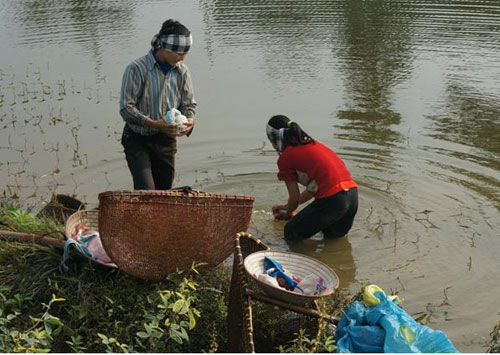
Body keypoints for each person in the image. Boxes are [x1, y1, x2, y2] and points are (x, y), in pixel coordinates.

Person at [119, 19, 196, 190]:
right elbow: (126, 108)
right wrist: (154, 123)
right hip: (137, 138)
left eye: (185, 53)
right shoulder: (137, 69)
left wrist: (190, 121)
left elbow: (189, 105)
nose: (182, 57)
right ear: (163, 47)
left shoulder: (182, 71)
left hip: (166, 140)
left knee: (163, 191)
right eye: (178, 53)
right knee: (146, 190)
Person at [267, 115, 358, 242]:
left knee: (291, 231)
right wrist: (287, 206)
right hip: (352, 197)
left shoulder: (285, 158)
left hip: (333, 201)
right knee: (332, 240)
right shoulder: (313, 144)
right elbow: (313, 189)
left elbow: (294, 197)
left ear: (275, 139)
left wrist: (288, 214)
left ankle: (300, 260)